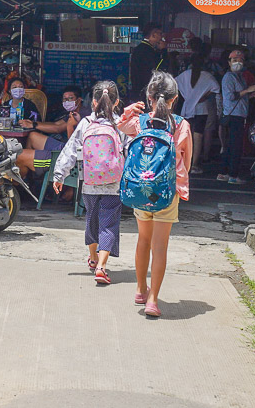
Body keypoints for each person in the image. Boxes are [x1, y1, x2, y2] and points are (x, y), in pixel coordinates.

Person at [118, 71, 192, 318]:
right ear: (175, 98)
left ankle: (140, 289)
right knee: (160, 247)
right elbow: (187, 163)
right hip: (166, 192)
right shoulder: (181, 125)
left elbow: (119, 125)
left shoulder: (140, 123)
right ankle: (152, 300)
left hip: (141, 190)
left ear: (149, 97)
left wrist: (129, 110)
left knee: (143, 240)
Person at [52, 80, 125, 285]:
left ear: (93, 102)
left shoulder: (85, 123)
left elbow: (69, 151)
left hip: (89, 182)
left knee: (91, 219)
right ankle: (102, 266)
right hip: (114, 184)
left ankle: (93, 259)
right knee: (108, 223)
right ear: (117, 102)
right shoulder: (120, 124)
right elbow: (130, 152)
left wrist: (59, 176)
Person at [15, 86, 89, 177]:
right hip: (64, 147)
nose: (67, 102)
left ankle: (27, 175)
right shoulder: (73, 112)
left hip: (65, 155)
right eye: (65, 99)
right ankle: (31, 176)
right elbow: (56, 124)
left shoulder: (82, 114)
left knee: (19, 156)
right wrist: (33, 123)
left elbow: (58, 129)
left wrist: (34, 125)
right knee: (32, 136)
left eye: (70, 98)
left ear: (79, 100)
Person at [218, 49, 255, 184]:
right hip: (233, 116)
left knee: (231, 146)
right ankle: (233, 176)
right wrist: (248, 90)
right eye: (234, 60)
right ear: (229, 62)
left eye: (240, 60)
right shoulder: (228, 77)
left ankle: (224, 173)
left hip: (239, 114)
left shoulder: (240, 77)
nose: (238, 63)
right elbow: (231, 96)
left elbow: (241, 96)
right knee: (236, 146)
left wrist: (252, 95)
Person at [174, 54, 219, 176]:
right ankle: (194, 165)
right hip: (202, 109)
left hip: (187, 109)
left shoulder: (185, 75)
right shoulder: (207, 76)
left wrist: (186, 96)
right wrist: (204, 95)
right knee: (198, 137)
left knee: (185, 136)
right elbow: (217, 88)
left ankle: (183, 163)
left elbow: (174, 84)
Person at [129, 23, 167, 103]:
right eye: (160, 34)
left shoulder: (142, 48)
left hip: (140, 91)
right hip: (146, 92)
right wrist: (164, 51)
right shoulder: (147, 50)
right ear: (153, 35)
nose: (162, 37)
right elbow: (158, 69)